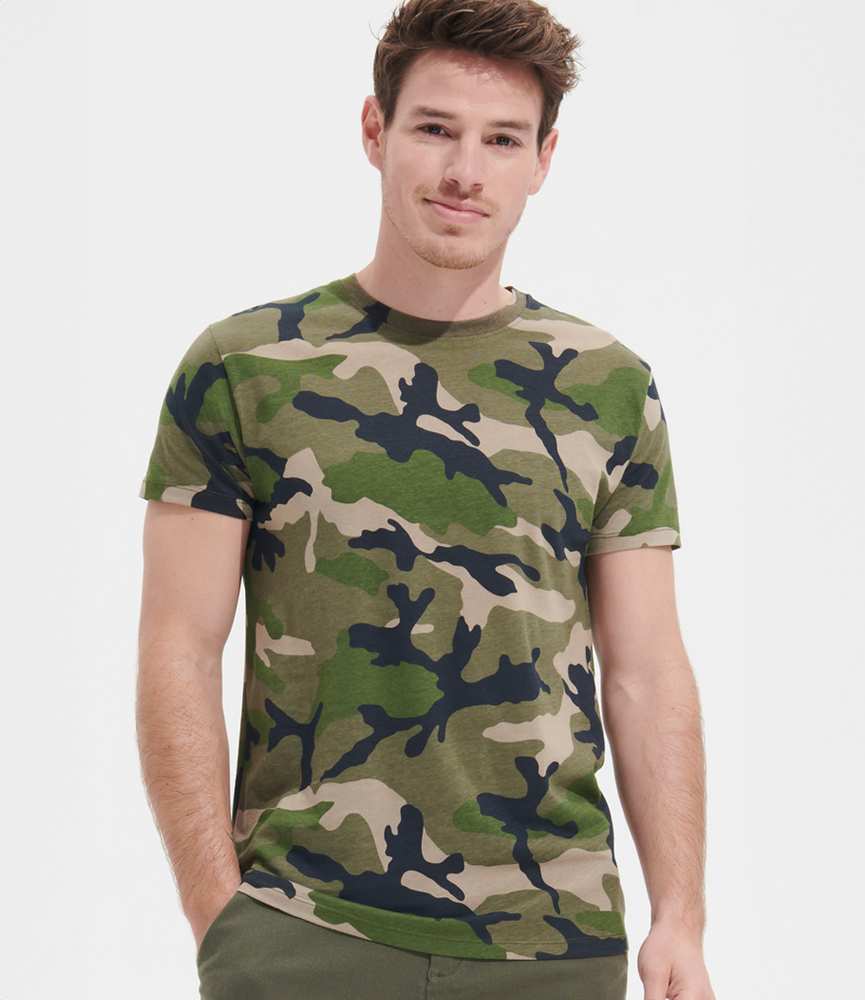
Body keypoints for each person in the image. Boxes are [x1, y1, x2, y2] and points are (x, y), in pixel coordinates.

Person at [137, 2, 715, 998]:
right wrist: (219, 916)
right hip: (301, 930)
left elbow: (647, 669)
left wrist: (680, 917)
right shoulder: (244, 366)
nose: (463, 171)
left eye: (502, 140)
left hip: (554, 943)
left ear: (543, 160)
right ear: (376, 130)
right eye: (435, 128)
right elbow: (177, 649)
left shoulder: (609, 385)